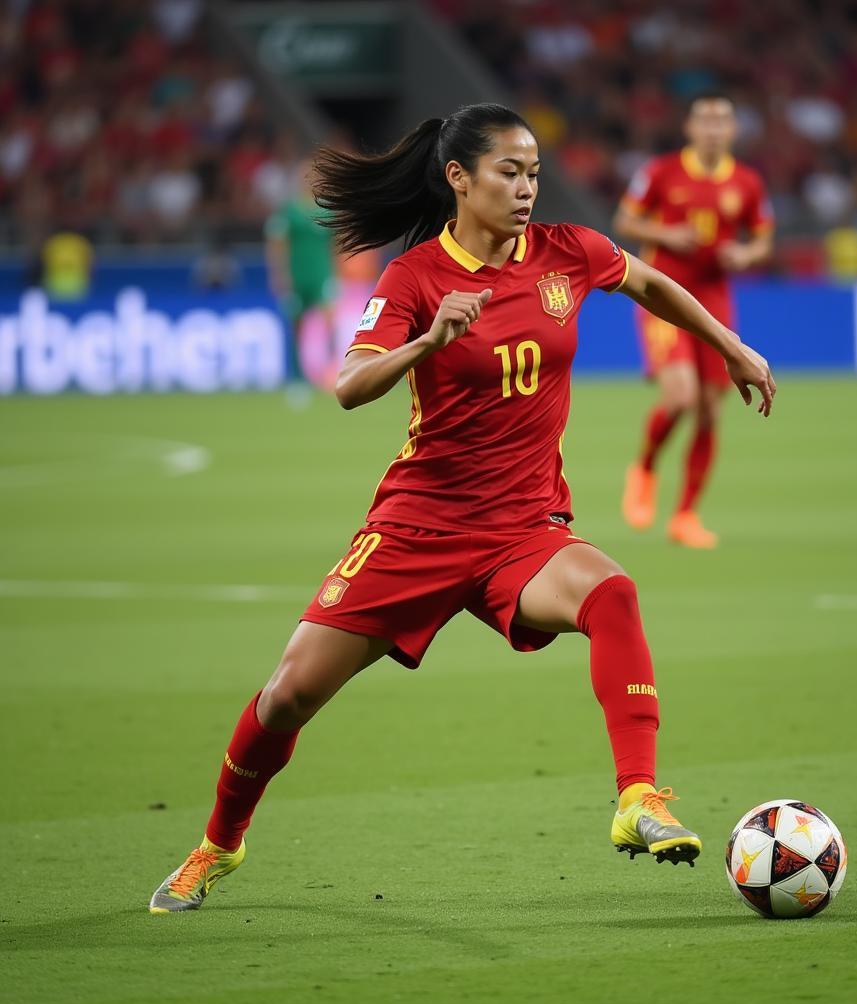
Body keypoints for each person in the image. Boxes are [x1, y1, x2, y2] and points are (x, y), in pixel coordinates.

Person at [149, 103, 775, 913]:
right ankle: (216, 846)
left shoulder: (567, 253)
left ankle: (638, 798)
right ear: (459, 178)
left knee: (613, 592)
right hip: (416, 530)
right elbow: (349, 386)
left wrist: (734, 346)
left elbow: (651, 281)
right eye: (509, 173)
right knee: (286, 697)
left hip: (523, 531)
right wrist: (428, 343)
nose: (526, 190)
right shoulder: (415, 278)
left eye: (534, 174)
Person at [615, 92, 774, 548]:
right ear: (689, 128)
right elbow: (624, 220)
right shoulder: (661, 172)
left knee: (709, 409)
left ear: (733, 130)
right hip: (664, 295)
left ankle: (685, 515)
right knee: (681, 397)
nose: (712, 128)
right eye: (704, 119)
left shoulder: (746, 182)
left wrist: (745, 253)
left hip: (714, 296)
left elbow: (763, 240)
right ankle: (644, 467)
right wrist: (665, 233)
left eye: (721, 120)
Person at [264, 156, 337, 387]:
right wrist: (279, 274)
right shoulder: (289, 212)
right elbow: (276, 243)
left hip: (322, 276)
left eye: (313, 177)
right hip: (297, 277)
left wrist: (338, 275)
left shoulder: (326, 211)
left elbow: (336, 246)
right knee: (297, 325)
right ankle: (297, 377)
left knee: (329, 322)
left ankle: (329, 371)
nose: (310, 181)